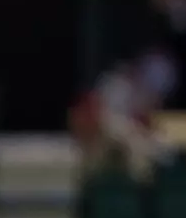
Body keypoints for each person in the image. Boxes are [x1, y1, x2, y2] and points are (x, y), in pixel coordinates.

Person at [70, 48, 179, 179]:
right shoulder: (112, 83)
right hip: (106, 128)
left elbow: (143, 116)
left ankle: (152, 177)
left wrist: (144, 125)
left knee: (161, 144)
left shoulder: (139, 88)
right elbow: (97, 113)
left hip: (128, 130)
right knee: (132, 141)